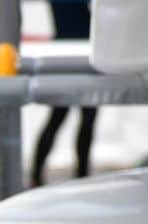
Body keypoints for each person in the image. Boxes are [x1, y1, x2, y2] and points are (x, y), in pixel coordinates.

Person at [30, 0, 96, 187]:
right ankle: (82, 175)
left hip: (65, 52)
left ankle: (37, 174)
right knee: (84, 118)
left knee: (59, 117)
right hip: (84, 53)